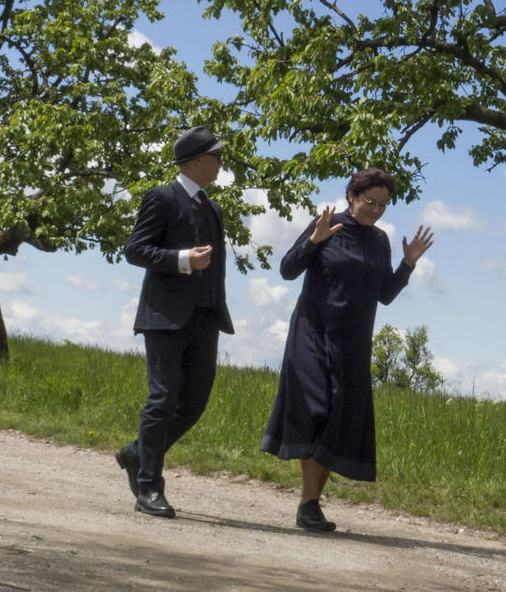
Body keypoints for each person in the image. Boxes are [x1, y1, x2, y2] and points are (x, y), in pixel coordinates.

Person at [260, 167, 434, 531]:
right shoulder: (326, 225)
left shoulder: (380, 241)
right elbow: (287, 270)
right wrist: (313, 242)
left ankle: (310, 505)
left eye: (383, 204)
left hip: (353, 343)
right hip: (312, 332)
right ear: (352, 196)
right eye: (370, 201)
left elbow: (384, 295)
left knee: (336, 417)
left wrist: (408, 264)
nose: (375, 209)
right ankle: (309, 503)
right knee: (317, 409)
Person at [114, 126, 234, 518]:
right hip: (165, 318)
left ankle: (136, 453)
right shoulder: (161, 197)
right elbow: (135, 250)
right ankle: (149, 486)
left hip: (205, 318)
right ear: (197, 160)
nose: (220, 163)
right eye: (216, 156)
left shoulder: (212, 207)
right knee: (163, 399)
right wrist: (182, 259)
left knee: (194, 402)